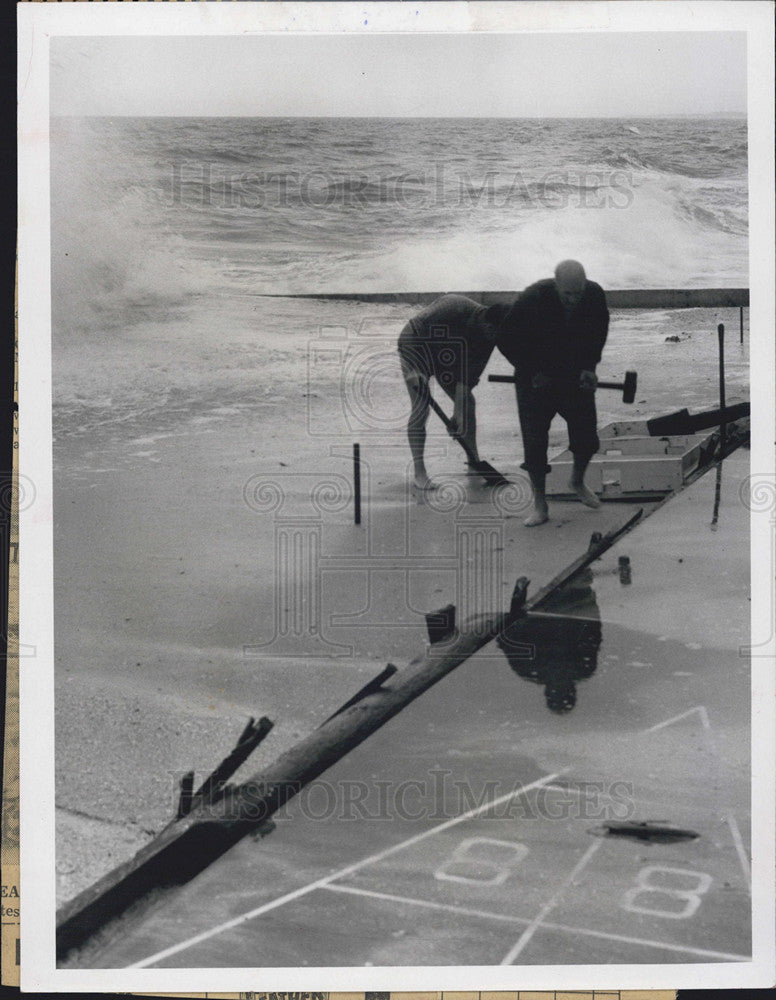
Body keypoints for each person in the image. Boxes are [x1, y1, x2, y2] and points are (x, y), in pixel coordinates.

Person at [498, 260, 609, 525]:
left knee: (586, 436)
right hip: (536, 380)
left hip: (573, 373)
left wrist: (590, 367)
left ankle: (577, 481)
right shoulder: (533, 297)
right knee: (535, 443)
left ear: (585, 285)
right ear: (556, 284)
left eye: (577, 293)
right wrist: (531, 370)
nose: (572, 299)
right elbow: (504, 337)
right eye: (567, 294)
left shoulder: (594, 295)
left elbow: (598, 332)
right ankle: (540, 505)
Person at [398, 294, 506, 489]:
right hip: (416, 347)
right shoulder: (454, 308)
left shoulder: (490, 337)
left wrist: (457, 415)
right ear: (485, 322)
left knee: (468, 403)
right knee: (421, 408)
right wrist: (414, 370)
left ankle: (473, 461)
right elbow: (412, 331)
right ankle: (419, 473)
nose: (493, 338)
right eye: (492, 332)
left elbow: (465, 381)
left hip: (447, 359)